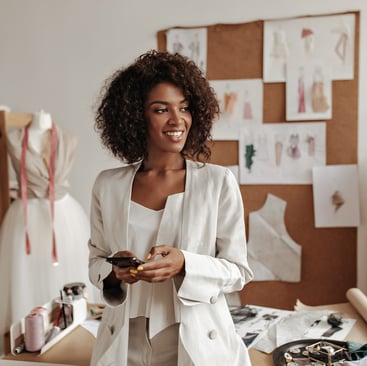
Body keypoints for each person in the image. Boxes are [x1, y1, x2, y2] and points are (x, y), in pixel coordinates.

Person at [89, 50, 253, 366]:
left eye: (185, 108)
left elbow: (238, 271)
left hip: (195, 341)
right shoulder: (107, 185)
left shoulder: (217, 183)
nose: (177, 120)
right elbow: (96, 259)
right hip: (125, 341)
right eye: (161, 109)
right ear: (136, 116)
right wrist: (114, 271)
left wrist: (184, 264)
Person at [0, 110, 99, 354]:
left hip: (63, 215)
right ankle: (26, 336)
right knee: (26, 275)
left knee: (65, 273)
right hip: (26, 215)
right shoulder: (13, 139)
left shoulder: (68, 139)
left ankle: (66, 329)